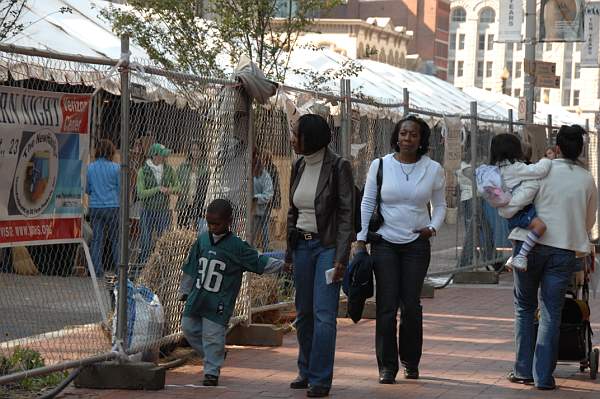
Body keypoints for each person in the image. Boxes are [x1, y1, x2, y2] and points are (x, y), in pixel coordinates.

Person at [499, 125, 597, 390]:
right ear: (580, 149)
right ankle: (543, 376)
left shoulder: (542, 168)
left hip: (528, 246)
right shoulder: (587, 179)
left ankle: (522, 370)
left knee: (524, 308)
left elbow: (520, 200)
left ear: (559, 146)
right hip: (563, 249)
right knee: (551, 311)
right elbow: (589, 220)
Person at [356, 115, 446, 384]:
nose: (407, 139)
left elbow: (440, 205)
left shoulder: (433, 169)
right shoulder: (380, 165)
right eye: (404, 133)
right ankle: (386, 366)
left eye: (414, 135)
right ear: (396, 136)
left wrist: (433, 227)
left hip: (416, 245)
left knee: (410, 305)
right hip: (384, 243)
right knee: (386, 306)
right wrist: (361, 239)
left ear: (421, 140)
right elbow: (367, 201)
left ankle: (410, 361)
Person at [179, 199, 283, 387]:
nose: (212, 227)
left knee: (212, 335)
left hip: (219, 301)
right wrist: (185, 290)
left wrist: (285, 265)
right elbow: (191, 267)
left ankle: (211, 372)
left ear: (229, 222)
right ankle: (215, 354)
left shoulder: (237, 246)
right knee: (188, 327)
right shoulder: (202, 240)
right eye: (209, 223)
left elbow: (259, 261)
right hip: (198, 296)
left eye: (216, 223)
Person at [285, 114, 354, 398]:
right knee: (304, 313)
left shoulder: (339, 167)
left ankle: (321, 379)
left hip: (327, 248)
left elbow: (347, 215)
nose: (292, 139)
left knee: (324, 314)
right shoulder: (299, 164)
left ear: (309, 138)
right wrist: (290, 252)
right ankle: (306, 370)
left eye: (296, 134)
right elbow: (293, 210)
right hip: (302, 246)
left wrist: (341, 257)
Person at [485, 134, 552, 271]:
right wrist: (546, 160)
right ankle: (521, 256)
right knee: (540, 227)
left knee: (518, 235)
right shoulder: (515, 168)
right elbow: (539, 171)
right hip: (522, 211)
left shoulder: (495, 170)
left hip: (509, 213)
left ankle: (513, 257)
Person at [136, 142, 179, 264]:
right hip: (147, 210)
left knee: (163, 240)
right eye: (162, 155)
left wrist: (169, 190)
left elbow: (178, 188)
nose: (165, 158)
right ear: (154, 156)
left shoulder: (169, 169)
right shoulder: (143, 171)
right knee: (146, 241)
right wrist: (157, 189)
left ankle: (163, 265)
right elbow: (141, 193)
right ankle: (144, 265)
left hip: (163, 210)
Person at [86, 139, 120, 277]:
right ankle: (119, 268)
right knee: (115, 239)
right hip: (113, 206)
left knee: (97, 239)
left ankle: (96, 270)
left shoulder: (90, 167)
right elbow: (119, 189)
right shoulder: (116, 168)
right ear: (111, 152)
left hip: (95, 206)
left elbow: (87, 189)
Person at [176, 140, 210, 231]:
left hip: (197, 204)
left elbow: (205, 190)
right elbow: (176, 183)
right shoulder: (183, 166)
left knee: (196, 230)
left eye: (198, 150)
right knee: (182, 229)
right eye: (193, 150)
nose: (195, 152)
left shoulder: (205, 169)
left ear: (202, 152)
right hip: (184, 202)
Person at [252, 150, 274, 251]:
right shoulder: (248, 174)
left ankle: (266, 250)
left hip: (264, 209)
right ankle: (251, 250)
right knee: (252, 233)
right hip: (252, 210)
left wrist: (255, 197)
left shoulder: (265, 176)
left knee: (265, 232)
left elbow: (269, 194)